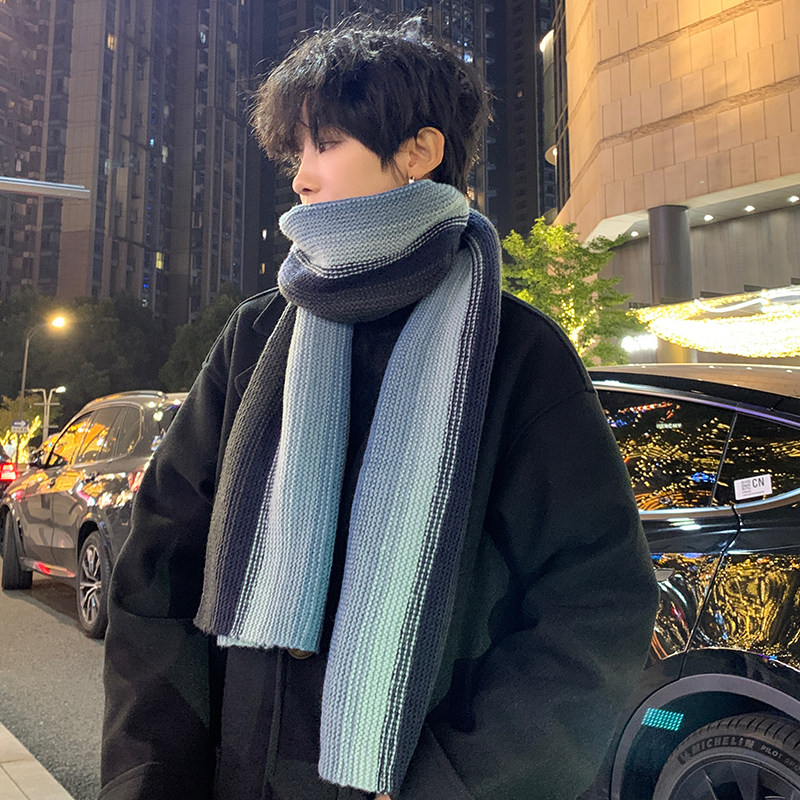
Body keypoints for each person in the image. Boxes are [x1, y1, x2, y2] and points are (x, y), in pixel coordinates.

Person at [99, 18, 658, 800]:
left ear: (420, 152)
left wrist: (457, 786)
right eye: (295, 152)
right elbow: (157, 570)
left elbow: (595, 604)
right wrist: (152, 779)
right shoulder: (256, 339)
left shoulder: (517, 354)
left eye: (326, 143)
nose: (301, 177)